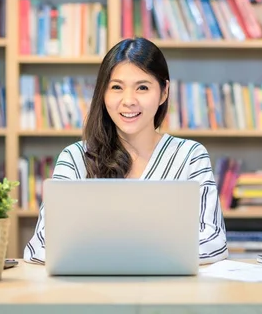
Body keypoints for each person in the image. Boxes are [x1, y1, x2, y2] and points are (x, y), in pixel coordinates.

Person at [23, 37, 228, 266]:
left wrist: (112, 251)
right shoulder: (75, 158)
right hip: (92, 294)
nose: (128, 101)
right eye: (117, 87)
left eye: (142, 87)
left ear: (163, 92)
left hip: (168, 293)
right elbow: (41, 245)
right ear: (103, 93)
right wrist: (151, 250)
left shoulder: (190, 156)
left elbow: (214, 240)